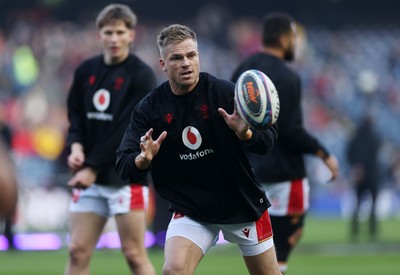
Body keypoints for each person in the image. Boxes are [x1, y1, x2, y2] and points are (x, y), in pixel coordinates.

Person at [116, 24, 282, 275]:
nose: (186, 63)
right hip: (192, 209)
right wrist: (142, 159)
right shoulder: (150, 108)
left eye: (191, 55)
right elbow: (123, 163)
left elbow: (268, 141)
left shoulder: (226, 93)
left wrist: (245, 133)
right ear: (163, 64)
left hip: (241, 202)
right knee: (173, 271)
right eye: (177, 58)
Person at [231, 13, 339, 274]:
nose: (296, 44)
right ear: (282, 39)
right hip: (286, 176)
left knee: (262, 248)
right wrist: (323, 153)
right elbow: (291, 131)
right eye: (293, 38)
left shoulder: (242, 70)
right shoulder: (288, 77)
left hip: (252, 174)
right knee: (285, 244)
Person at [64, 4, 156, 275]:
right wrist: (77, 148)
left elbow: (125, 129)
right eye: (108, 32)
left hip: (126, 179)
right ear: (98, 35)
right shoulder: (85, 71)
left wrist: (91, 167)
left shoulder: (141, 75)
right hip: (89, 177)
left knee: (134, 254)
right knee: (77, 251)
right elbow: (76, 117)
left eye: (119, 32)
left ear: (131, 34)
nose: (114, 38)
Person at [346, 114, 381, 241]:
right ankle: (372, 230)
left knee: (357, 203)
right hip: (372, 176)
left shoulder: (355, 138)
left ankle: (355, 229)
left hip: (359, 176)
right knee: (373, 205)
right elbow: (374, 156)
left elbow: (349, 153)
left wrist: (356, 167)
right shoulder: (375, 137)